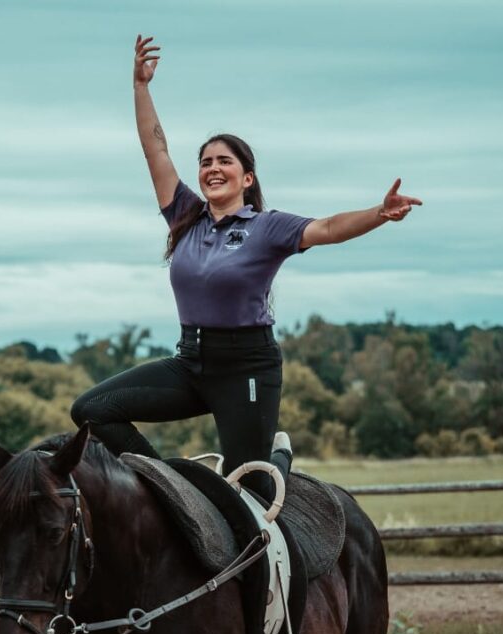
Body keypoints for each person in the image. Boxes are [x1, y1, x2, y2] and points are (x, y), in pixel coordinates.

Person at [71, 34, 422, 499]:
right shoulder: (185, 216)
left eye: (225, 161)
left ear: (247, 177)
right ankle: (172, 489)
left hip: (247, 369)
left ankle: (276, 457)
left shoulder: (267, 227)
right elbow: (155, 150)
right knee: (92, 409)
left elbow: (331, 227)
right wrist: (141, 87)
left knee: (250, 493)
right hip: (191, 361)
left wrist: (380, 213)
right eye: (205, 162)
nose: (212, 168)